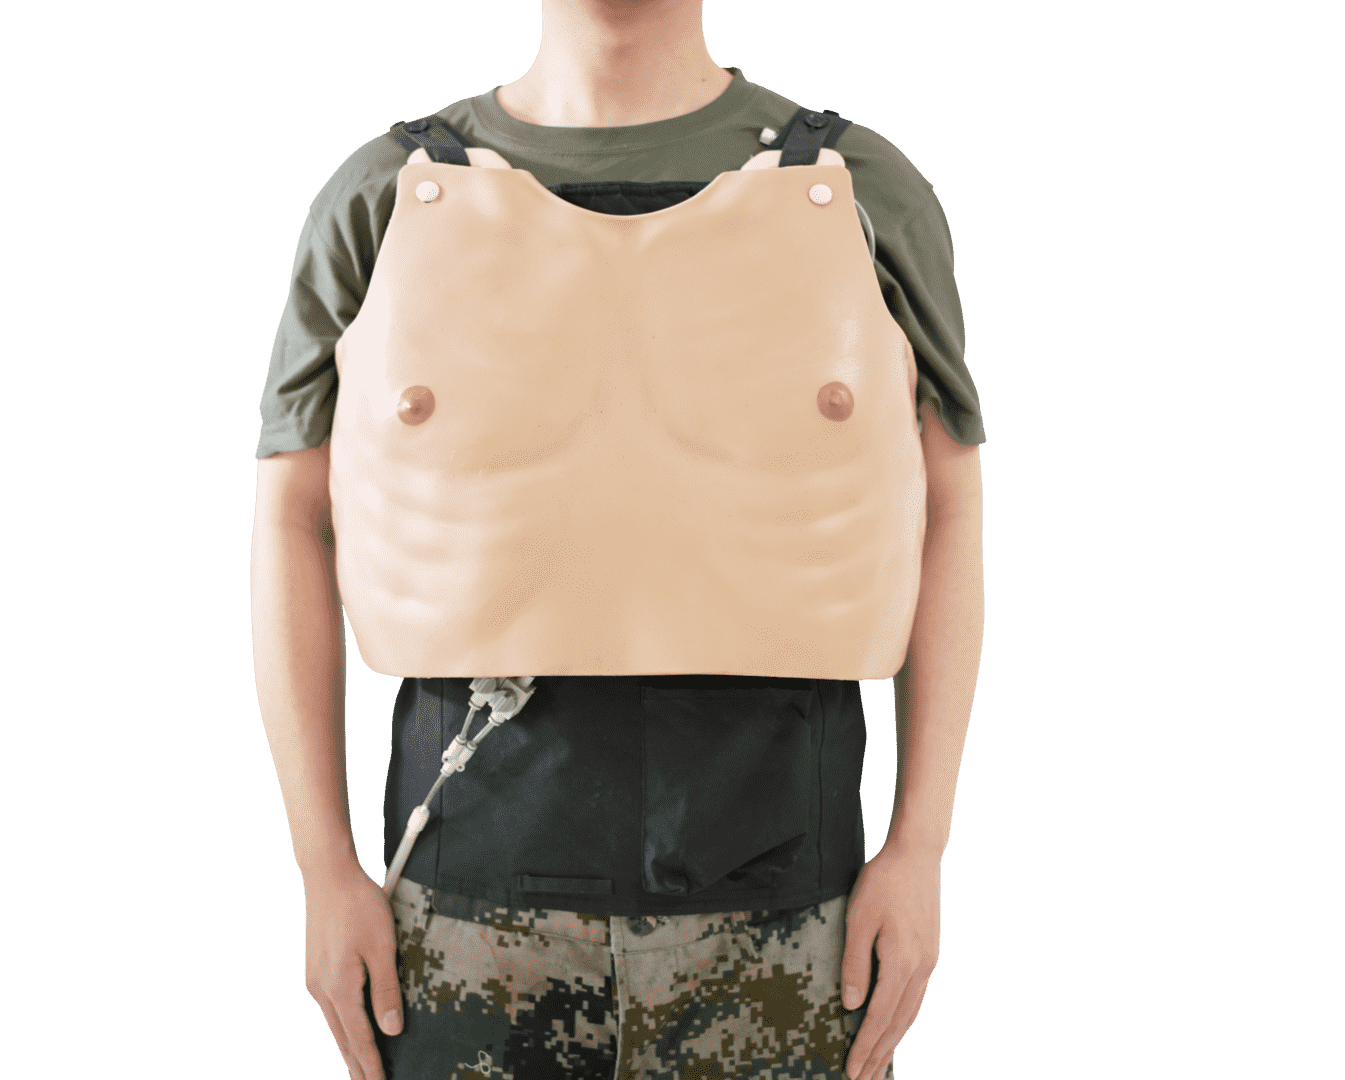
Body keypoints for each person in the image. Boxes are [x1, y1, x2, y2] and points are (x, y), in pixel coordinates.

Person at [250, 3, 985, 1078]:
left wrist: (922, 845)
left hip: (796, 918)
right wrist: (323, 868)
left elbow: (951, 505)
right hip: (454, 919)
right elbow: (290, 515)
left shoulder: (870, 191)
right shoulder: (378, 197)